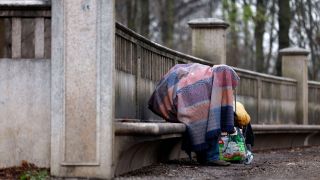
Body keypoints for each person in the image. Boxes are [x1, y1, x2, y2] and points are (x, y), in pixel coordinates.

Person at [148, 63, 240, 166]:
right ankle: (210, 156)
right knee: (207, 120)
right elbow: (196, 111)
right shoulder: (205, 83)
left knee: (210, 119)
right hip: (169, 103)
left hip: (173, 99)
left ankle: (208, 156)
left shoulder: (210, 79)